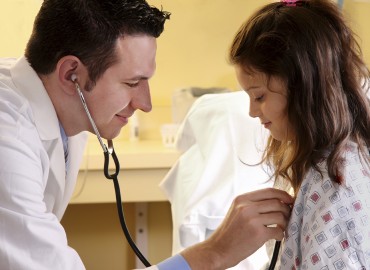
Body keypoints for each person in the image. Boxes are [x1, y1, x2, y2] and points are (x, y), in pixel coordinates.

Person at [0, 0, 294, 269]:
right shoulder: (7, 139)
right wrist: (214, 253)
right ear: (70, 74)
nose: (146, 104)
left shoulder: (62, 107)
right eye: (132, 83)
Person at [229, 0, 370, 269]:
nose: (251, 112)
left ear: (303, 86)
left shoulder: (335, 183)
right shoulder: (327, 163)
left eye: (259, 96)